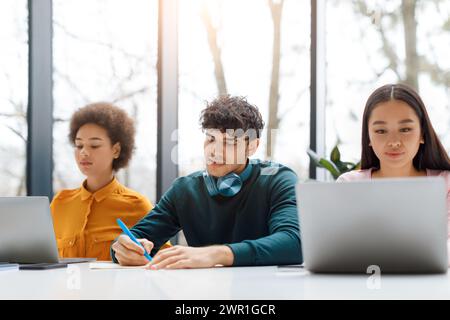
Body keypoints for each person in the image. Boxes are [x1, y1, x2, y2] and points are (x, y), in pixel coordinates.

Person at [111, 95, 303, 269]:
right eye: (211, 139)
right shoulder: (185, 190)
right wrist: (123, 249)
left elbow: (294, 242)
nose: (214, 151)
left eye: (228, 142)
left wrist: (217, 254)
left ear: (252, 146)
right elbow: (134, 238)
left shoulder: (278, 179)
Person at [337, 84, 450, 261]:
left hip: (433, 284)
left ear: (422, 134)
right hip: (365, 282)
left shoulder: (446, 184)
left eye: (405, 129)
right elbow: (339, 246)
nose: (394, 142)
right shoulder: (349, 185)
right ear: (369, 137)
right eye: (381, 131)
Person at [51, 102, 169, 261]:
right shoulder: (60, 203)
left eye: (94, 145)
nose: (84, 152)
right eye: (79, 145)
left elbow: (164, 260)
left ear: (116, 150)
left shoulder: (136, 205)